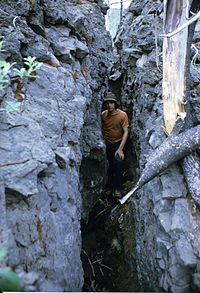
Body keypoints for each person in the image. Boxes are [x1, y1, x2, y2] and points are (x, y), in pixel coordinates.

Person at [101, 91, 129, 198]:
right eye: (107, 103)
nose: (109, 105)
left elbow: (126, 131)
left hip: (118, 144)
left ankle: (118, 188)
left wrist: (121, 149)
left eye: (111, 103)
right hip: (107, 144)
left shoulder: (122, 115)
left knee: (118, 163)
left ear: (115, 103)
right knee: (109, 166)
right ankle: (109, 187)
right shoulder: (103, 115)